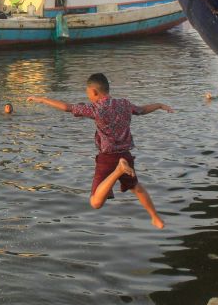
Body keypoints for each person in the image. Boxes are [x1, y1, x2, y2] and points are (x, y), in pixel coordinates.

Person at [27, 73, 173, 229]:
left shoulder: (95, 108)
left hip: (107, 158)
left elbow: (66, 107)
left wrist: (42, 99)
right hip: (125, 155)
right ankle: (155, 217)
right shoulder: (124, 103)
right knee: (136, 187)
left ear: (94, 92)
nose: (88, 96)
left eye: (87, 93)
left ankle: (118, 171)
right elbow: (142, 110)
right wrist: (159, 105)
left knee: (96, 202)